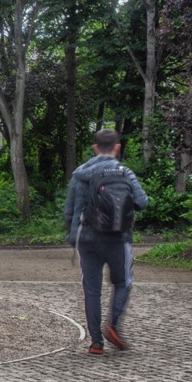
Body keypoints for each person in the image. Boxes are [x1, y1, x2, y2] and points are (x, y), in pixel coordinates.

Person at [64, 129, 149, 355]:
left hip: (88, 239)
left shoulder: (80, 173)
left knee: (92, 291)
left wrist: (73, 236)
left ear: (94, 148)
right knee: (123, 283)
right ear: (117, 147)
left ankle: (96, 343)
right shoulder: (124, 172)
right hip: (118, 239)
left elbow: (70, 210)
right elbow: (142, 201)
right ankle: (112, 325)